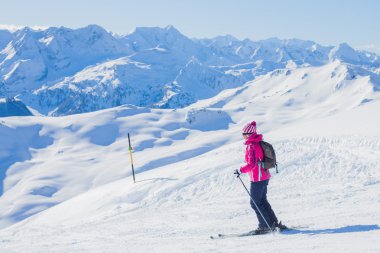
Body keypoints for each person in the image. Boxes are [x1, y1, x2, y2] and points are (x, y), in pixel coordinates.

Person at [239, 121, 287, 233]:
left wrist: (241, 170)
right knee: (262, 200)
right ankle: (273, 223)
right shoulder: (257, 143)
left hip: (258, 178)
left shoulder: (252, 146)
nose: (243, 136)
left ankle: (264, 225)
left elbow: (252, 164)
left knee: (255, 202)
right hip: (263, 176)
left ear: (249, 134)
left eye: (244, 134)